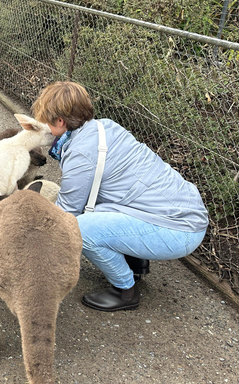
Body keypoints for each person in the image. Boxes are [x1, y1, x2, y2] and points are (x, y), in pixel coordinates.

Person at [32, 81, 208, 311]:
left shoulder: (80, 153)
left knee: (78, 228)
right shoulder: (105, 127)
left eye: (46, 121)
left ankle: (125, 290)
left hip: (180, 230)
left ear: (60, 122)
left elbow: (67, 214)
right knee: (98, 204)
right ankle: (136, 261)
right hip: (184, 212)